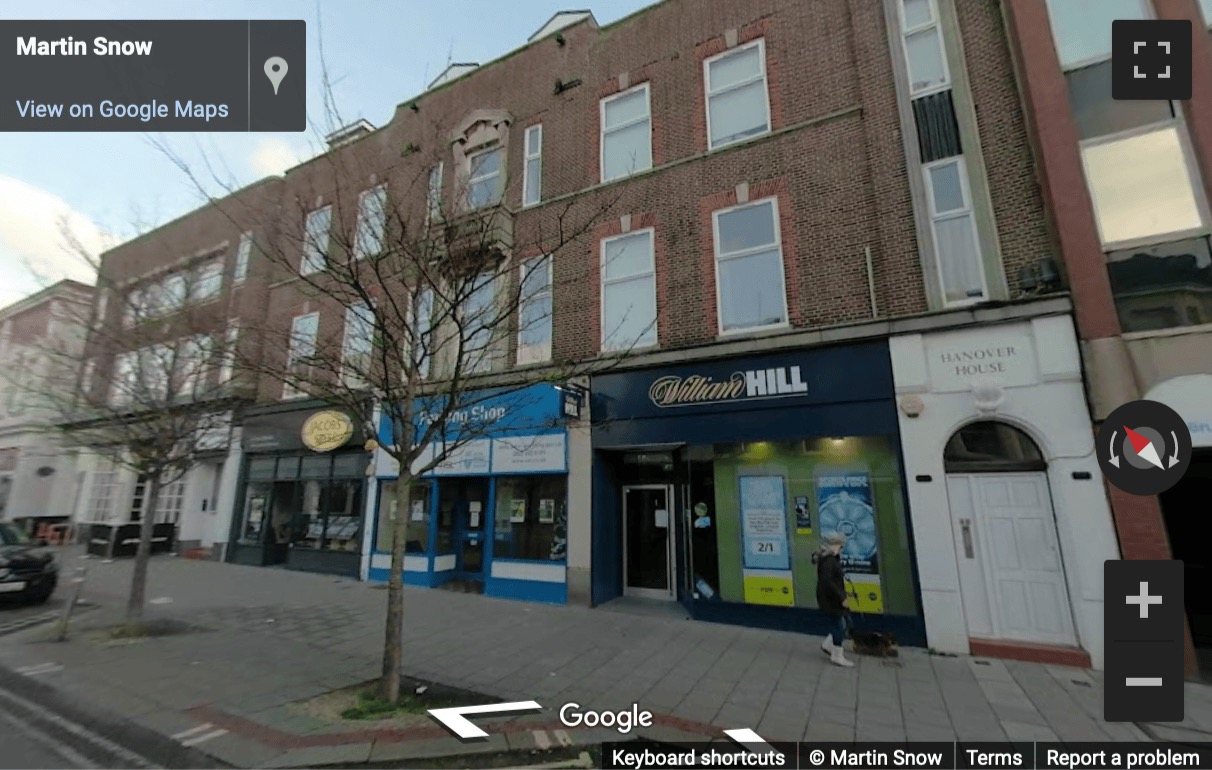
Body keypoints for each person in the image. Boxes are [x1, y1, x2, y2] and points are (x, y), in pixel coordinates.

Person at [812, 532, 855, 668]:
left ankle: (828, 645)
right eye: (841, 546)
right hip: (831, 598)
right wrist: (842, 598)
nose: (841, 549)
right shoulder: (829, 561)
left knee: (842, 622)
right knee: (838, 626)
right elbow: (829, 582)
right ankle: (837, 655)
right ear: (835, 546)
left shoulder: (828, 558)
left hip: (830, 597)